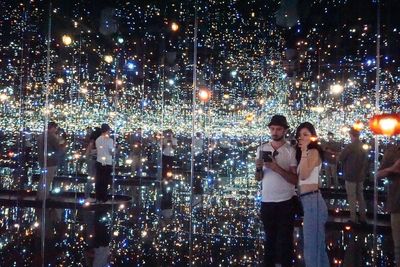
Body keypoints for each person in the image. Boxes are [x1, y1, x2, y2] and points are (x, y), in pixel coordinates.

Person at [255, 115, 298, 267]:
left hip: (285, 201)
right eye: (272, 129)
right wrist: (258, 168)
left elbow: (295, 179)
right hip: (267, 201)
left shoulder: (290, 151)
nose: (275, 132)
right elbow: (258, 178)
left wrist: (276, 168)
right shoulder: (262, 148)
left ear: (285, 130)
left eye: (278, 129)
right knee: (269, 240)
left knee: (286, 241)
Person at [295, 122, 330, 267]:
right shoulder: (306, 153)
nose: (302, 138)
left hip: (313, 201)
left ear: (312, 137)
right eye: (300, 135)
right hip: (309, 201)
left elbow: (303, 175)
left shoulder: (313, 152)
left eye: (306, 134)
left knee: (311, 247)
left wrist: (303, 152)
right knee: (317, 247)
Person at [376, 145, 400, 266]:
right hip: (397, 205)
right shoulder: (392, 152)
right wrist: (392, 169)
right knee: (398, 246)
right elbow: (378, 174)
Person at [339, 128, 368, 224]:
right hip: (360, 176)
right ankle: (363, 218)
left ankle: (353, 218)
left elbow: (341, 158)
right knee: (360, 196)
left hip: (350, 175)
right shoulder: (363, 146)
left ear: (352, 135)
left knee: (351, 197)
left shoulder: (350, 147)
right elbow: (366, 161)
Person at [37, 122, 63, 200]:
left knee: (43, 179)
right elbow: (58, 148)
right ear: (52, 128)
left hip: (43, 160)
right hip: (51, 161)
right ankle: (44, 197)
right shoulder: (51, 137)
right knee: (47, 180)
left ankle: (40, 196)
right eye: (55, 128)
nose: (56, 130)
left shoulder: (41, 136)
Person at [95, 124, 114, 203]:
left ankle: (98, 197)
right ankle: (103, 198)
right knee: (105, 181)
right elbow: (111, 152)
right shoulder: (109, 140)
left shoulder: (97, 139)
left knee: (98, 180)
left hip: (99, 161)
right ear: (107, 130)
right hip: (107, 163)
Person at [85, 127, 101, 199]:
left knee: (91, 178)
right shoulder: (96, 143)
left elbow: (87, 153)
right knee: (94, 178)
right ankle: (90, 195)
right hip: (95, 161)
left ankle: (88, 195)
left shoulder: (93, 143)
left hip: (93, 160)